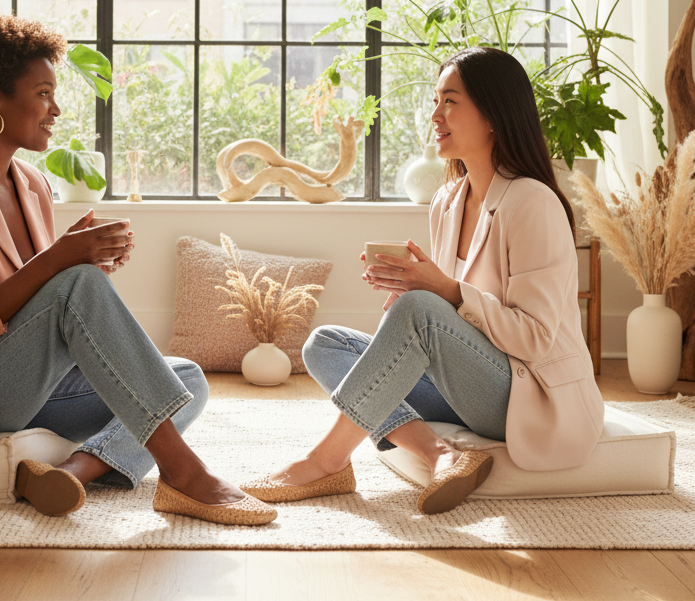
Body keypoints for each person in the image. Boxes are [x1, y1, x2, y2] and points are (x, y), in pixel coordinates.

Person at [0, 14, 275, 526]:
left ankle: (72, 473)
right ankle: (183, 473)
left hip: (22, 384)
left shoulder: (30, 183)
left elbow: (33, 298)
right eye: (43, 92)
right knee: (80, 287)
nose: (56, 109)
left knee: (186, 379)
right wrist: (61, 263)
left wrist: (79, 260)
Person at [243, 47, 604, 514]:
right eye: (436, 101)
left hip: (531, 396)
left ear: (494, 114)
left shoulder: (532, 203)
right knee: (325, 343)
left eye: (450, 101)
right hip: (469, 386)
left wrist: (443, 295)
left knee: (420, 311)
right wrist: (416, 295)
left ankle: (326, 462)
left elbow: (534, 340)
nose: (436, 115)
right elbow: (454, 320)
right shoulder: (448, 201)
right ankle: (442, 454)